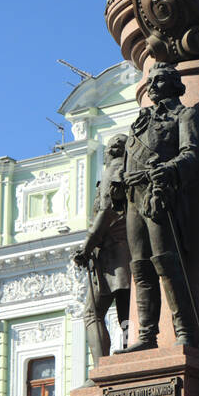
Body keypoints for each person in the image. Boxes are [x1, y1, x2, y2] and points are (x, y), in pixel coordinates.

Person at [122, 64, 199, 348]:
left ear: (173, 84)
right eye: (150, 81)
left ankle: (184, 332)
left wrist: (169, 169)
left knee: (166, 262)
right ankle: (146, 336)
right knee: (140, 266)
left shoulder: (184, 115)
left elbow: (191, 154)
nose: (151, 86)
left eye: (158, 80)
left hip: (159, 192)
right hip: (134, 196)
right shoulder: (141, 120)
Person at [73, 136, 130, 363]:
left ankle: (100, 368)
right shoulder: (129, 170)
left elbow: (105, 211)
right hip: (129, 250)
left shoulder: (113, 169)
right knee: (127, 312)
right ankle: (132, 357)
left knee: (92, 313)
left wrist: (86, 248)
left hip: (111, 254)